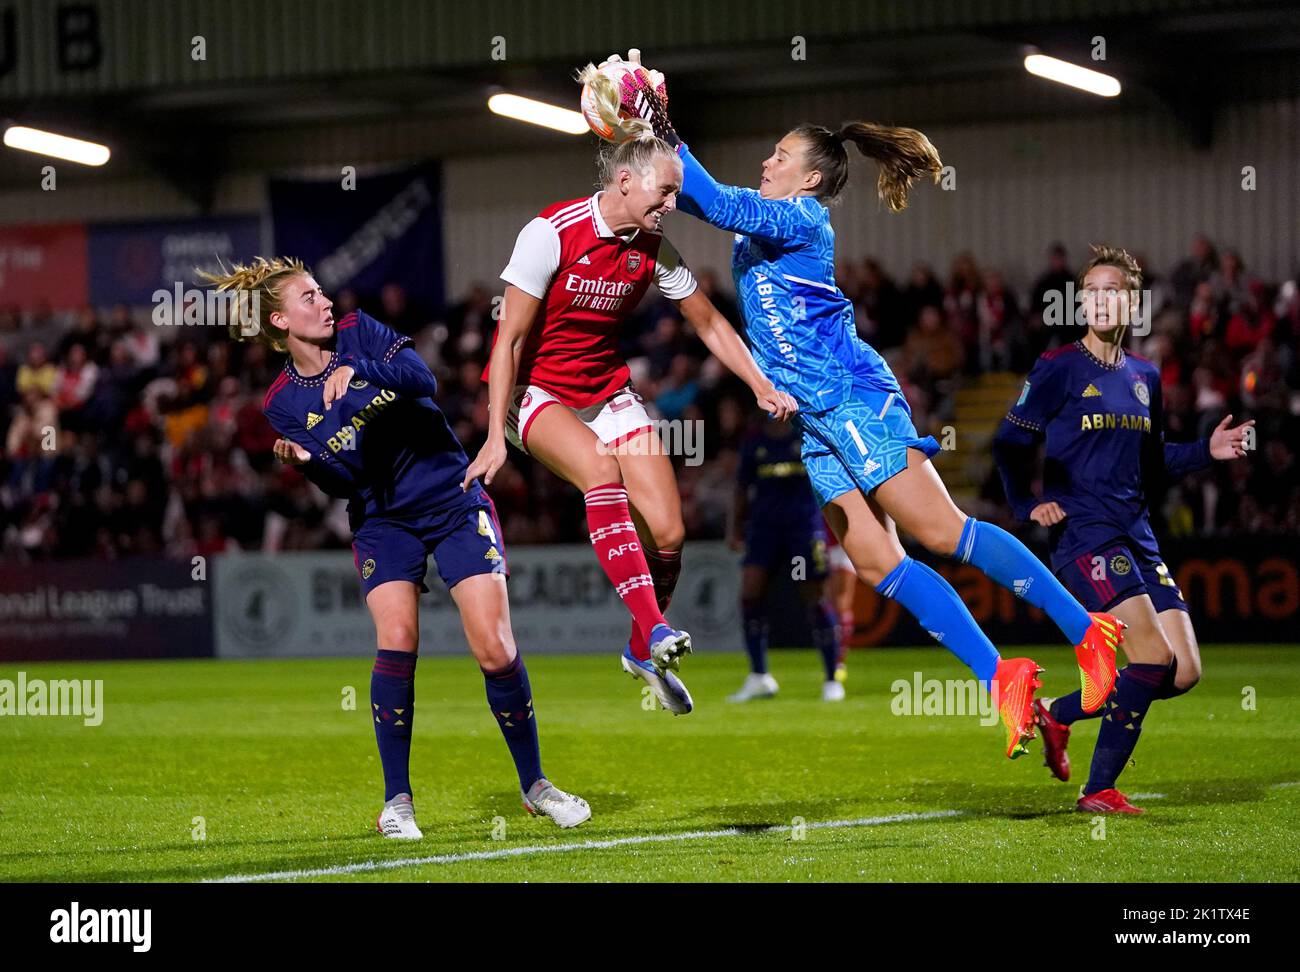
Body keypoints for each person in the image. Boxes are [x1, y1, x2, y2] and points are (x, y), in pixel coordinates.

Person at [625, 52, 1126, 759]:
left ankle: (1089, 632)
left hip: (850, 402)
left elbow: (709, 197)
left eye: (779, 155)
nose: (768, 162)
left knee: (944, 532)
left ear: (811, 179)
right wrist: (644, 153)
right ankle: (1006, 676)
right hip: (815, 420)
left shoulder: (801, 219)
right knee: (873, 563)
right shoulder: (766, 226)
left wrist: (660, 123)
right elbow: (692, 200)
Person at [202, 257, 590, 838]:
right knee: (397, 638)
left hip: (452, 494)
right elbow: (345, 478)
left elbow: (422, 380)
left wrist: (357, 370)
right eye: (309, 297)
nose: (326, 301)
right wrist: (311, 465)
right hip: (383, 519)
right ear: (280, 320)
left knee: (493, 646)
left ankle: (535, 785)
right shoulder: (281, 403)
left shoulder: (359, 331)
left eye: (321, 292)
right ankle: (397, 802)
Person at [465, 129, 797, 716]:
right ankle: (655, 628)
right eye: (666, 192)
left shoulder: (654, 247)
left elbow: (709, 322)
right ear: (625, 181)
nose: (672, 204)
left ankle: (642, 650)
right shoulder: (551, 233)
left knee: (669, 533)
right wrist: (495, 433)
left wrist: (760, 383)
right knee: (600, 471)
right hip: (534, 393)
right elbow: (509, 339)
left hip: (607, 392)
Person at [993, 245, 1254, 813]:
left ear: (1132, 303)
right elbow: (1009, 443)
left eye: (1113, 290)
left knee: (1182, 672)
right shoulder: (1058, 367)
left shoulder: (1145, 377)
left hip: (1138, 535)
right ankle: (1098, 790)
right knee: (1150, 659)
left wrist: (1206, 451)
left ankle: (1054, 714)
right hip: (1086, 535)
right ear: (1080, 302)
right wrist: (1026, 504)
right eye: (1092, 291)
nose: (1101, 300)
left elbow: (1152, 462)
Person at [726, 417, 843, 702]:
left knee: (814, 597)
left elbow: (831, 480)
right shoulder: (754, 439)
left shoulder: (806, 434)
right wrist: (734, 528)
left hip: (803, 528)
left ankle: (831, 678)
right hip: (764, 529)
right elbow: (741, 487)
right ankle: (759, 677)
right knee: (750, 594)